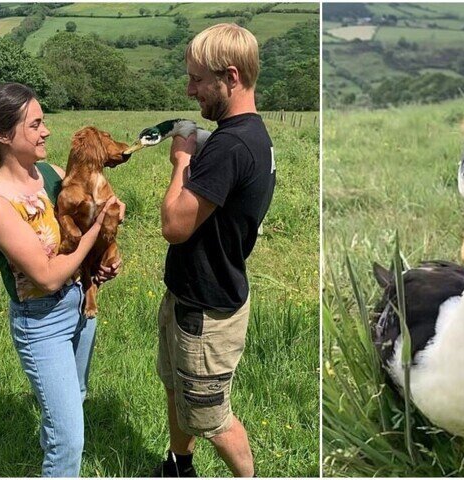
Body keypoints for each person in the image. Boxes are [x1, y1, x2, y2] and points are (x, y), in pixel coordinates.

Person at [0, 83, 122, 477]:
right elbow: (46, 278)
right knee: (70, 441)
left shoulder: (51, 174)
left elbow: (94, 215)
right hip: (42, 322)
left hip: (80, 306)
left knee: (73, 403)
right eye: (35, 124)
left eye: (43, 121)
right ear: (3, 136)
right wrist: (98, 230)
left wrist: (103, 259)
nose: (46, 131)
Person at [153, 23, 276, 478]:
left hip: (207, 311)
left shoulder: (230, 145)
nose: (190, 90)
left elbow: (174, 225)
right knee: (179, 392)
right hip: (190, 297)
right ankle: (178, 466)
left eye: (198, 80)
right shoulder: (248, 135)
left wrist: (183, 157)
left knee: (211, 417)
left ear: (231, 76)